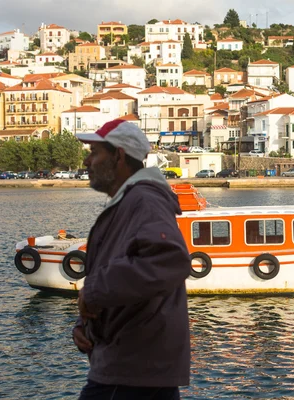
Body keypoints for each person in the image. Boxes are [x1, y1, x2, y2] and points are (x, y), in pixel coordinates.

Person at [72, 119, 191, 399]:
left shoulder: (144, 200)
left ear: (119, 156)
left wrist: (93, 291)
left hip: (129, 372)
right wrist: (85, 326)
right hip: (136, 367)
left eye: (94, 152)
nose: (87, 161)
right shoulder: (131, 201)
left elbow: (168, 259)